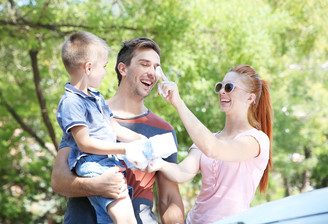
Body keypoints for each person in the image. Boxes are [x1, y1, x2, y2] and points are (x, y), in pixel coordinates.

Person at [51, 37, 185, 224]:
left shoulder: (163, 130)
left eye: (156, 67)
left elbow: (169, 199)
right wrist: (94, 185)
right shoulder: (88, 114)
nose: (152, 72)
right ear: (123, 68)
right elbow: (58, 179)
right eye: (144, 64)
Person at [150, 64, 273, 223]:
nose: (222, 91)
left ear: (250, 97)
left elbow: (213, 149)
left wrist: (178, 103)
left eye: (229, 87)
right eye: (220, 86)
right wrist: (157, 162)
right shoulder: (208, 138)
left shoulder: (257, 140)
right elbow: (182, 173)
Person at [56, 31, 150, 224]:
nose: (106, 72)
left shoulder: (96, 98)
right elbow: (84, 143)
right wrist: (124, 148)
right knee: (126, 219)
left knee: (109, 219)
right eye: (104, 67)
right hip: (94, 165)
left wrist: (140, 140)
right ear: (89, 67)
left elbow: (113, 127)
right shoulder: (71, 102)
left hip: (108, 162)